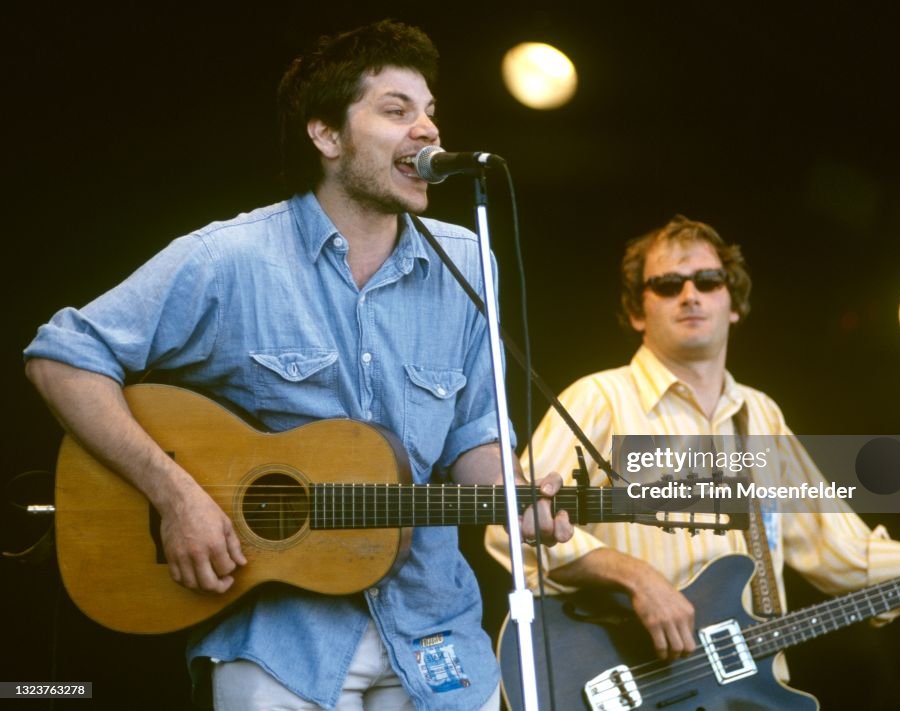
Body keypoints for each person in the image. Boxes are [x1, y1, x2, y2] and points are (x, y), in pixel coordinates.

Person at [25, 20, 570, 711]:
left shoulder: (467, 260)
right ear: (326, 135)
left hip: (436, 630)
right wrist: (175, 494)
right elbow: (61, 357)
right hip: (283, 640)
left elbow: (473, 432)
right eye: (397, 110)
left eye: (430, 110)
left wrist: (515, 496)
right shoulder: (234, 258)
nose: (428, 129)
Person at [486, 214, 900, 670]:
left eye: (708, 281)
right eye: (668, 285)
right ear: (635, 310)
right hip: (630, 675)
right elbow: (509, 522)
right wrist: (636, 576)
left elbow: (848, 556)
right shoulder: (600, 398)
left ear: (733, 302)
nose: (690, 295)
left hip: (748, 690)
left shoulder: (760, 416)